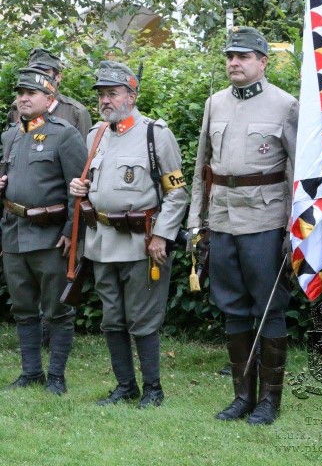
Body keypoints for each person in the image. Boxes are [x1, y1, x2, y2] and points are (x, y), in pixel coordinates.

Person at [187, 27, 298, 425]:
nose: (234, 62)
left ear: (263, 62)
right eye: (230, 56)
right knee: (232, 307)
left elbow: (298, 172)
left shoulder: (285, 105)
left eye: (243, 56)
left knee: (269, 308)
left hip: (265, 219)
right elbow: (203, 169)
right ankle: (241, 397)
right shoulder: (214, 103)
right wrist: (196, 221)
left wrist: (294, 228)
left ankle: (269, 401)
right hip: (222, 218)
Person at [69, 61, 188, 408]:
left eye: (113, 93)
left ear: (131, 96)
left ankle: (153, 389)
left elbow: (177, 192)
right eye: (101, 95)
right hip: (101, 242)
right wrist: (81, 189)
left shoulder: (155, 135)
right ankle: (125, 386)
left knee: (143, 319)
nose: (105, 100)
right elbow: (95, 184)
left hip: (142, 243)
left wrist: (162, 236)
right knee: (112, 319)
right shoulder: (95, 135)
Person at [0, 67, 86, 394]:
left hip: (51, 236)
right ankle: (31, 372)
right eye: (20, 93)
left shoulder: (64, 135)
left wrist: (71, 231)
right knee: (23, 309)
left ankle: (57, 378)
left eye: (31, 93)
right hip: (14, 233)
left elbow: (78, 189)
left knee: (58, 310)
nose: (23, 98)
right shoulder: (10, 136)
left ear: (49, 99)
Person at [6, 48, 92, 139]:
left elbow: (83, 147)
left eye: (45, 72)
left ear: (58, 77)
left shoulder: (75, 112)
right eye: (34, 72)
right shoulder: (18, 108)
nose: (39, 77)